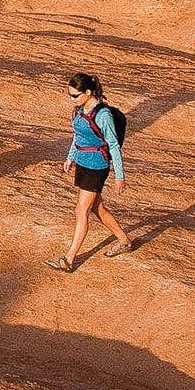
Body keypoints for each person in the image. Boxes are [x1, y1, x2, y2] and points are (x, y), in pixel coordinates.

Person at [47, 72, 133, 272]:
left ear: (88, 92)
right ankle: (123, 240)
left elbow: (113, 146)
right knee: (97, 208)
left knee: (81, 211)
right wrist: (71, 156)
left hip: (97, 166)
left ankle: (69, 259)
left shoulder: (103, 115)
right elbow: (78, 136)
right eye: (70, 95)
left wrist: (119, 177)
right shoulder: (79, 110)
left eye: (75, 96)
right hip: (84, 163)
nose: (72, 100)